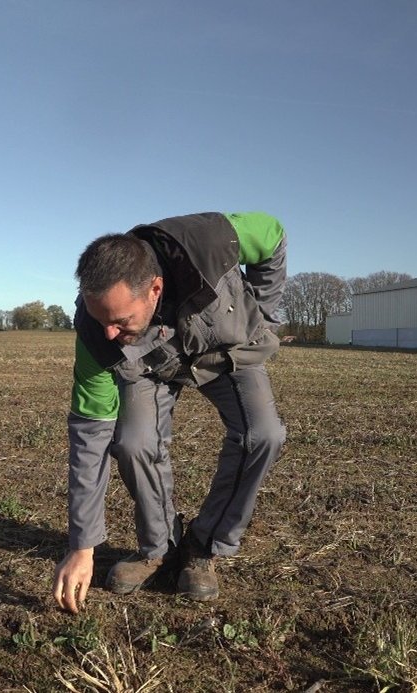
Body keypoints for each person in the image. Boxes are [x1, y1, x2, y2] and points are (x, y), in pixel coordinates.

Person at [52, 212, 288, 613]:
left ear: (155, 289)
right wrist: (82, 546)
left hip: (223, 348)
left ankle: (203, 546)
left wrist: (259, 314)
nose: (109, 332)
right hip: (152, 365)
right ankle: (159, 547)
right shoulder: (97, 335)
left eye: (120, 320)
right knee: (133, 443)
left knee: (264, 435)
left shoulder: (212, 242)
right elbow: (90, 439)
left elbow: (273, 234)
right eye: (101, 319)